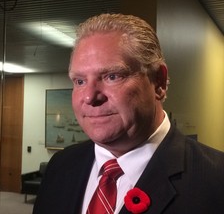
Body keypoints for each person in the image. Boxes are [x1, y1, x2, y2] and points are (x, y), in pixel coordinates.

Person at [33, 13, 224, 214]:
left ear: (158, 82)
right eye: (80, 81)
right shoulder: (61, 166)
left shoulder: (216, 180)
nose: (89, 97)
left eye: (112, 76)